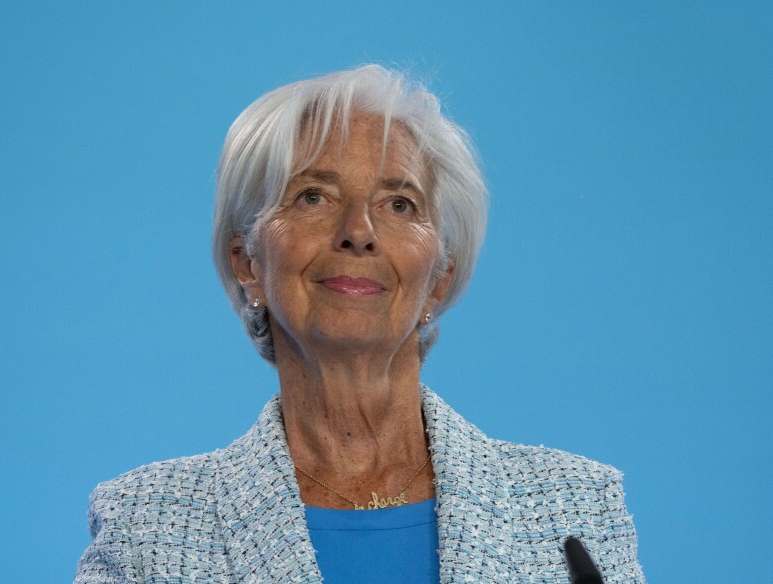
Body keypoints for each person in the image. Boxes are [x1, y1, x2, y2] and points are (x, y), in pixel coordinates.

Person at [74, 65, 645, 583]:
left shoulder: (577, 509)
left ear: (439, 279)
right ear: (247, 263)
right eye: (313, 196)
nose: (359, 230)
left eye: (400, 204)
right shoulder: (145, 529)